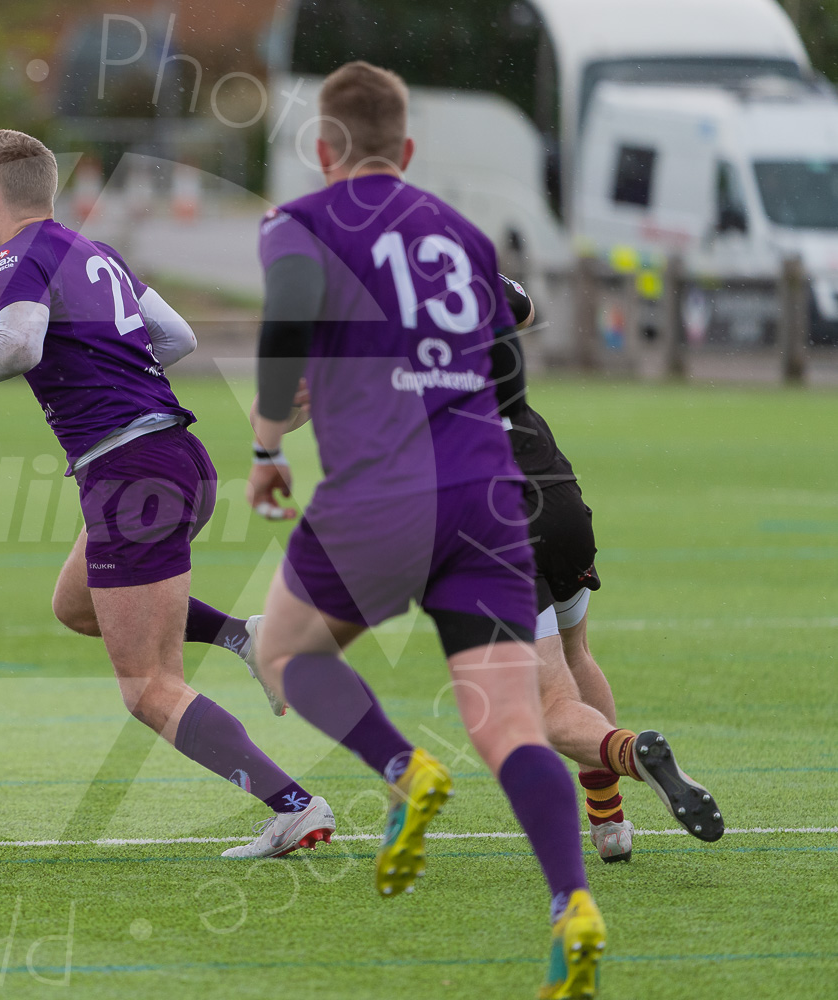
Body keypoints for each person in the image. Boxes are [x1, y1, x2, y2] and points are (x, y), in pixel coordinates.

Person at [242, 62, 604, 998]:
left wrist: (269, 443)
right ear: (406, 151)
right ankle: (571, 902)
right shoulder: (466, 236)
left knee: (287, 654)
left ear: (322, 150)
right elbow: (499, 355)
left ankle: (402, 768)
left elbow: (285, 322)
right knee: (514, 725)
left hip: (379, 494)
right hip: (488, 499)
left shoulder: (300, 223)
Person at [0, 129, 336, 859]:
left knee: (150, 689)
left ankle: (293, 804)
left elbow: (21, 342)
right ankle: (244, 637)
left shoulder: (13, 255)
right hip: (175, 459)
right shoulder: (93, 252)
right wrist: (107, 367)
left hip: (133, 476)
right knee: (74, 603)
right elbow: (176, 336)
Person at [491, 276, 724, 861]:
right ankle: (609, 820)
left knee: (548, 709)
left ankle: (631, 751)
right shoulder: (456, 284)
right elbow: (524, 306)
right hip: (559, 497)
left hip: (496, 524)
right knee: (577, 653)